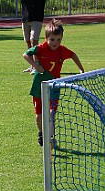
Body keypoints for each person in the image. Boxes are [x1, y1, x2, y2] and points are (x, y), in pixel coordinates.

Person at [23, 19, 84, 147]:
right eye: (52, 40)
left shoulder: (62, 50)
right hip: (38, 87)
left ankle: (50, 137)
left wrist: (81, 69)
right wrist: (35, 66)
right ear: (46, 38)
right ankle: (41, 132)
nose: (55, 43)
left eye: (58, 40)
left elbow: (73, 55)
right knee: (39, 115)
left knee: (51, 113)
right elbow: (26, 55)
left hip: (54, 86)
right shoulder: (40, 48)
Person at [21, 0, 46, 74]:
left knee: (34, 41)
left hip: (37, 18)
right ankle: (32, 66)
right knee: (28, 42)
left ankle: (37, 66)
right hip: (25, 19)